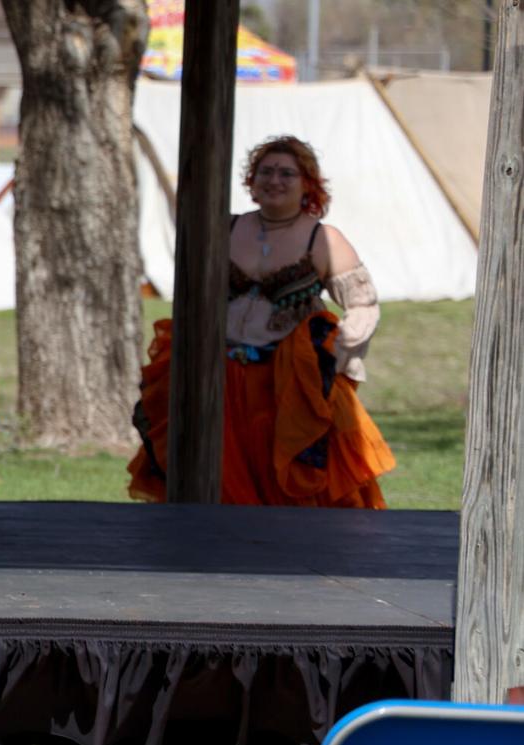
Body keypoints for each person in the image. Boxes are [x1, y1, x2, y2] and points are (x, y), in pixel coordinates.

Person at [127, 135, 395, 507]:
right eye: (265, 172)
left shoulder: (323, 239)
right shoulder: (225, 228)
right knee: (213, 473)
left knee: (286, 477)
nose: (274, 180)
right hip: (218, 378)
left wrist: (348, 340)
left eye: (287, 173)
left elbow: (364, 303)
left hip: (288, 386)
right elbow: (193, 289)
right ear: (251, 182)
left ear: (308, 184)